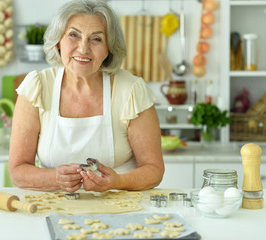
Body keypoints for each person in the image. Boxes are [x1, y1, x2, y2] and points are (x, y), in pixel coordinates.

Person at [9, 0, 164, 193]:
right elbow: (17, 171)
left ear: (109, 48)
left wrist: (116, 181)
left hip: (120, 210)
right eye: (73, 35)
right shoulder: (38, 87)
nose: (83, 48)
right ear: (58, 41)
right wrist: (55, 178)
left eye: (96, 39)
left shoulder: (131, 90)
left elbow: (154, 170)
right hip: (52, 208)